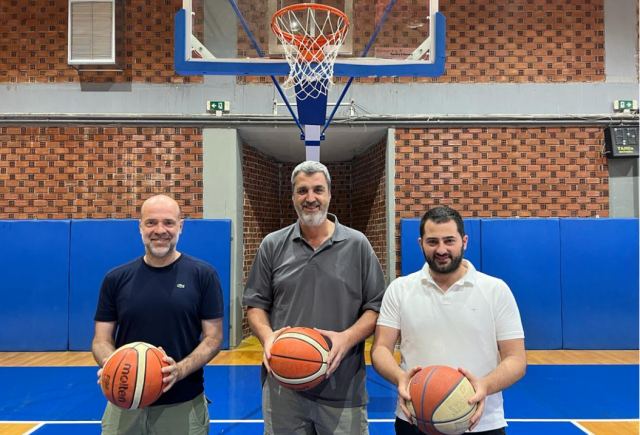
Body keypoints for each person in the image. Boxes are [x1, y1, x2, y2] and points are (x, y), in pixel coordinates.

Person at [243, 160, 386, 435]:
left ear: (330, 194)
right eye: (302, 191)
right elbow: (256, 305)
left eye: (318, 190)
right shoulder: (272, 245)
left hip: (342, 388)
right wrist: (268, 337)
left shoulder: (357, 245)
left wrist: (347, 338)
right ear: (293, 197)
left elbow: (377, 307)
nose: (311, 198)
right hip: (283, 387)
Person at [371, 205, 526, 435]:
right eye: (432, 241)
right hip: (414, 418)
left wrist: (484, 386)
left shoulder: (496, 290)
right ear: (420, 243)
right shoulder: (400, 289)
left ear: (464, 241)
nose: (441, 249)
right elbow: (380, 349)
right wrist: (400, 378)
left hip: (480, 421)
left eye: (449, 241)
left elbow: (516, 359)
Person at [92, 194, 224, 435]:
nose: (160, 230)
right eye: (151, 222)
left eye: (168, 223)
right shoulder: (115, 279)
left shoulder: (203, 275)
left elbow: (213, 337)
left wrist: (179, 370)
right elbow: (101, 339)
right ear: (140, 227)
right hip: (124, 402)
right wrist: (111, 364)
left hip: (183, 402)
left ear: (180, 227)